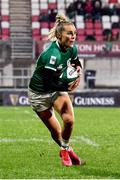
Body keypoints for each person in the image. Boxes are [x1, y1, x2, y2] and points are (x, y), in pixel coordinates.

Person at [28, 14, 85, 167]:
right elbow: (48, 83)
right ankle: (67, 150)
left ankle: (65, 150)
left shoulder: (71, 48)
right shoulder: (51, 55)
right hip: (39, 94)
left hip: (55, 89)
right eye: (69, 33)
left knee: (69, 121)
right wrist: (67, 88)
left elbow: (74, 60)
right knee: (56, 131)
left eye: (74, 33)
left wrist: (78, 66)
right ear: (59, 35)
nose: (73, 36)